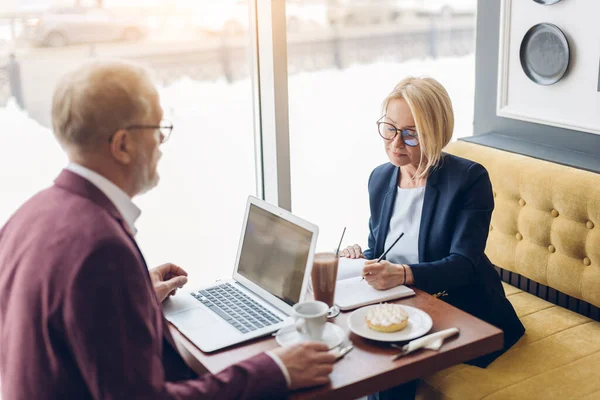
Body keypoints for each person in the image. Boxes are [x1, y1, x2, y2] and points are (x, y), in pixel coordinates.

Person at [0, 61, 336, 399]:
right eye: (157, 128)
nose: (162, 142)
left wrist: (137, 295)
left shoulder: (27, 216)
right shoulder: (102, 250)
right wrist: (276, 369)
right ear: (123, 145)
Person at [341, 76, 525, 399]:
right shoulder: (380, 179)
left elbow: (463, 265)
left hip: (463, 309)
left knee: (388, 361)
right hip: (405, 304)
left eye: (411, 135)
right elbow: (385, 250)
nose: (396, 144)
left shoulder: (469, 180)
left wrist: (401, 274)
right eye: (390, 129)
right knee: (346, 339)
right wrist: (363, 255)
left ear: (435, 134)